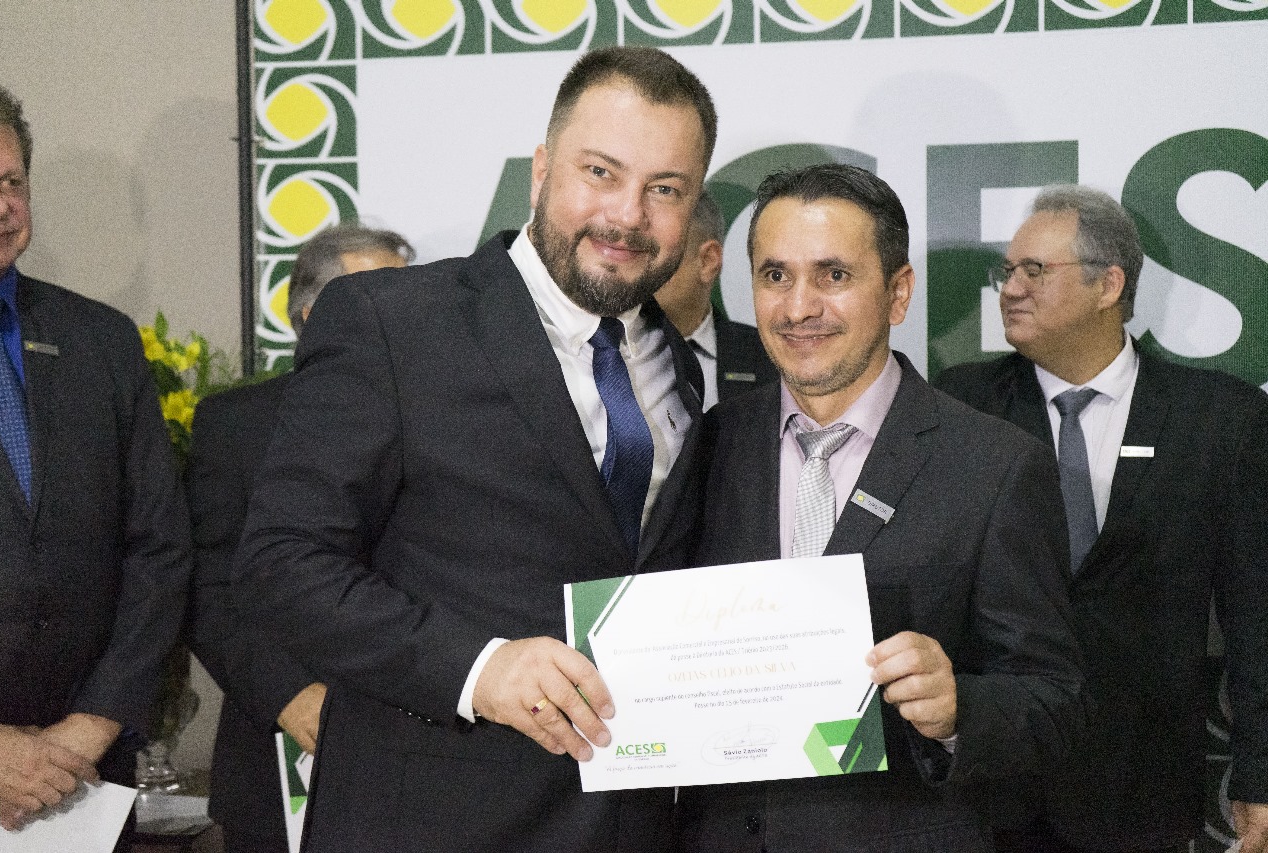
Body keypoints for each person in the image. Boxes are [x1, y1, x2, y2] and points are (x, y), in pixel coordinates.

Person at [236, 46, 716, 852]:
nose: (628, 215)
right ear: (541, 170)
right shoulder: (390, 322)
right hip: (426, 822)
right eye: (600, 172)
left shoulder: (678, 365)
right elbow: (280, 563)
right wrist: (478, 668)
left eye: (664, 189)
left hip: (629, 823)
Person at [677, 163, 1086, 852]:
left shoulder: (994, 465)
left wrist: (958, 708)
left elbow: (1054, 702)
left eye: (833, 275)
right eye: (775, 275)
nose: (798, 307)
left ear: (898, 293)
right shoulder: (708, 444)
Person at [935, 185, 1268, 853]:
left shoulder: (1221, 421)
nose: (1010, 289)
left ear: (1108, 284)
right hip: (990, 792)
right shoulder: (957, 407)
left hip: (1144, 791)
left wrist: (1259, 775)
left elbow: (1256, 615)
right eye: (1008, 270)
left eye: (1035, 270)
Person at [0, 80, 190, 843]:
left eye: (12, 182)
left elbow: (159, 549)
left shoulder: (101, 341)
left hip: (89, 778)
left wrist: (91, 724)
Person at [186, 223, 413, 853]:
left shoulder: (456, 423)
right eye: (380, 298)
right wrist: (287, 694)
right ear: (312, 316)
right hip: (277, 744)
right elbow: (209, 588)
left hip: (425, 749)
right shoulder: (234, 427)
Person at [653, 189, 775, 410]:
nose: (638, 268)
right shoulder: (604, 352)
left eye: (655, 252)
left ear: (708, 261)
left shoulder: (771, 357)